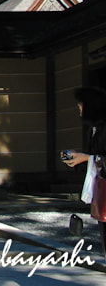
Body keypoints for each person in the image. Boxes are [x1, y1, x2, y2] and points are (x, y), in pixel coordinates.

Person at [62, 87, 106, 260]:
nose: (79, 108)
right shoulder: (94, 129)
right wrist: (80, 159)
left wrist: (86, 158)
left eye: (81, 104)